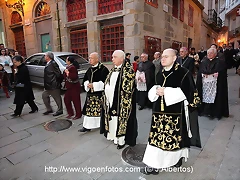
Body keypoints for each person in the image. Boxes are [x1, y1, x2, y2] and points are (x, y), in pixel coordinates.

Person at [141, 48, 201, 175]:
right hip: (158, 114)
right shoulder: (160, 73)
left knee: (175, 140)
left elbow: (189, 93)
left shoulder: (183, 73)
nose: (163, 58)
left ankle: (177, 158)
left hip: (175, 115)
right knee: (156, 141)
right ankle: (154, 164)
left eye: (166, 56)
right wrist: (156, 90)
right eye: (162, 56)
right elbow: (153, 88)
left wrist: (167, 92)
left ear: (174, 58)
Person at [100, 50, 138, 149]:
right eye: (112, 57)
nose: (112, 59)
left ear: (122, 58)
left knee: (120, 120)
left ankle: (121, 140)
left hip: (122, 102)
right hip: (110, 99)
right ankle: (113, 136)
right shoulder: (113, 70)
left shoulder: (128, 70)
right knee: (112, 119)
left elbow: (128, 88)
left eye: (114, 57)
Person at [78, 52, 109, 132]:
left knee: (99, 111)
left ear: (97, 59)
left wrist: (95, 85)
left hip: (99, 95)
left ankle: (101, 125)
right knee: (89, 112)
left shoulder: (103, 69)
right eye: (89, 58)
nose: (89, 60)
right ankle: (87, 126)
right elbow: (85, 80)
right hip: (90, 94)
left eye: (91, 58)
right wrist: (87, 84)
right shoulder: (89, 69)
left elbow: (106, 82)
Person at [196, 48, 229, 120]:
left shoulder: (220, 62)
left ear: (215, 54)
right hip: (205, 84)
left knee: (216, 97)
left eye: (211, 53)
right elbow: (201, 70)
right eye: (208, 53)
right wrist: (203, 74)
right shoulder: (204, 61)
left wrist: (216, 74)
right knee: (204, 97)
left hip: (215, 85)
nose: (209, 55)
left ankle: (214, 112)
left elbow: (221, 72)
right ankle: (204, 111)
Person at [42, 51, 63, 116]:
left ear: (48, 57)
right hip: (48, 85)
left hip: (53, 85)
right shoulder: (48, 63)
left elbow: (58, 74)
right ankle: (49, 109)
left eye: (45, 56)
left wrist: (57, 82)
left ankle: (60, 110)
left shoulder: (53, 63)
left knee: (57, 98)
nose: (44, 57)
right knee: (44, 96)